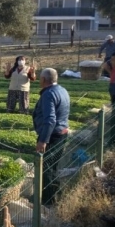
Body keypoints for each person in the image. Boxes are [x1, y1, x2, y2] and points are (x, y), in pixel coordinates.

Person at [32, 68, 70, 205]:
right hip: (62, 133)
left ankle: (46, 201)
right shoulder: (62, 90)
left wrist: (43, 140)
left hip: (52, 136)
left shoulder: (48, 94)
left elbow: (50, 120)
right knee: (53, 166)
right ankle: (53, 195)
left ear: (43, 79)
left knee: (46, 167)